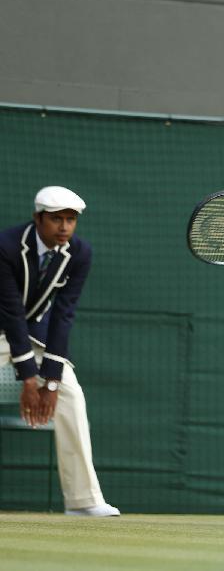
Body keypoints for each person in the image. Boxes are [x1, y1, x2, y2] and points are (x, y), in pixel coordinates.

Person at [0, 186, 119, 517]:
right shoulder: (7, 246)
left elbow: (64, 315)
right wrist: (28, 380)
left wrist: (50, 382)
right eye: (56, 220)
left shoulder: (80, 253)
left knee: (71, 394)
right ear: (38, 219)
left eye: (71, 220)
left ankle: (83, 501)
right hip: (2, 328)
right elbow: (10, 313)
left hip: (33, 336)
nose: (64, 227)